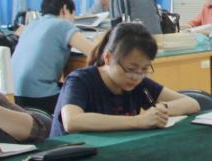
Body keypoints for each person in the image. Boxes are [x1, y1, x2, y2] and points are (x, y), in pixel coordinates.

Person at [50, 23, 200, 137]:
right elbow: (72, 121)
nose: (136, 76)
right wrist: (138, 121)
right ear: (108, 58)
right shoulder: (80, 80)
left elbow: (191, 103)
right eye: (130, 69)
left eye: (144, 69)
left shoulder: (139, 83)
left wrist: (161, 109)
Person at [11, 0, 98, 114]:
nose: (73, 20)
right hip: (42, 98)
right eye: (73, 15)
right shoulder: (62, 24)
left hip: (18, 98)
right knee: (87, 93)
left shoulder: (31, 25)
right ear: (64, 9)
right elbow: (94, 52)